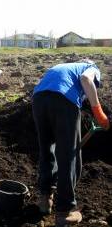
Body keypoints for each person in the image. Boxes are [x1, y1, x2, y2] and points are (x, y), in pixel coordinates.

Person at [32, 60, 110, 226]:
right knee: (69, 155)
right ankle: (65, 211)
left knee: (47, 149)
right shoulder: (91, 68)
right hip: (64, 101)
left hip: (38, 100)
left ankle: (45, 199)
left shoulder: (62, 66)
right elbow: (86, 80)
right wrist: (100, 114)